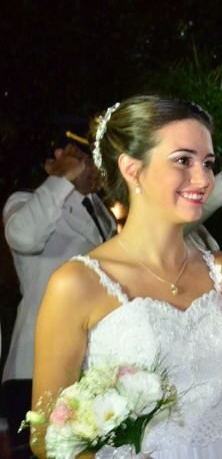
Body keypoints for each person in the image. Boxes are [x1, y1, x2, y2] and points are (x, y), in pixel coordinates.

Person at [30, 96, 222, 459]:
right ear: (132, 168)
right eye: (183, 160)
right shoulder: (77, 283)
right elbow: (45, 436)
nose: (203, 179)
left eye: (208, 163)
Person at [2, 141, 117, 453]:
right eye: (90, 161)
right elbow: (23, 236)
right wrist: (62, 178)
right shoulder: (26, 201)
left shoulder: (103, 215)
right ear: (65, 158)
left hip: (91, 366)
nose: (98, 170)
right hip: (34, 365)